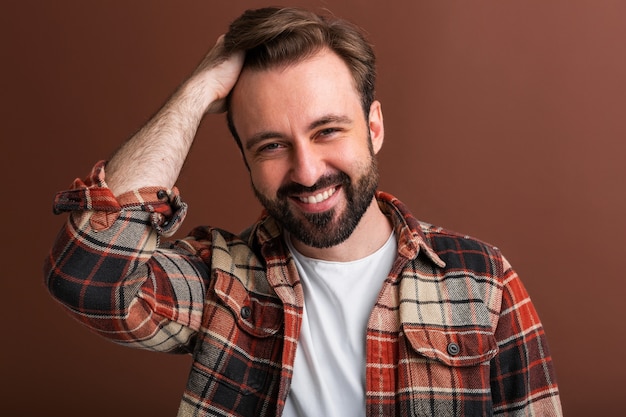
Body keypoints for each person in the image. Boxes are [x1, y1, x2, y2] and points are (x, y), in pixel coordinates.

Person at [44, 6, 562, 417]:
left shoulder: (483, 282)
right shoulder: (220, 282)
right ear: (245, 156)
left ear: (374, 127)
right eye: (271, 146)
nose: (308, 171)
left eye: (328, 130)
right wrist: (197, 91)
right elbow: (87, 273)